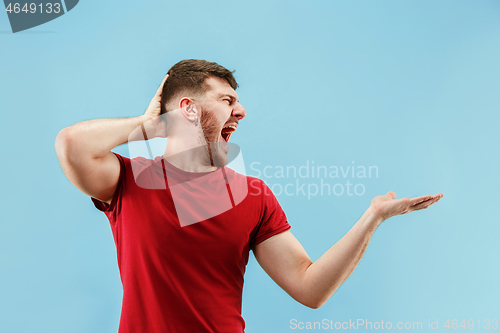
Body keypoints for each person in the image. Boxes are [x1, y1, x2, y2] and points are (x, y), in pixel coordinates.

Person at [55, 59, 443, 333]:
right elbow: (72, 144)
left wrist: (372, 217)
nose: (241, 111)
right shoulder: (129, 180)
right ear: (187, 109)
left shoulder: (253, 195)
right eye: (226, 100)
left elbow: (310, 288)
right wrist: (146, 125)